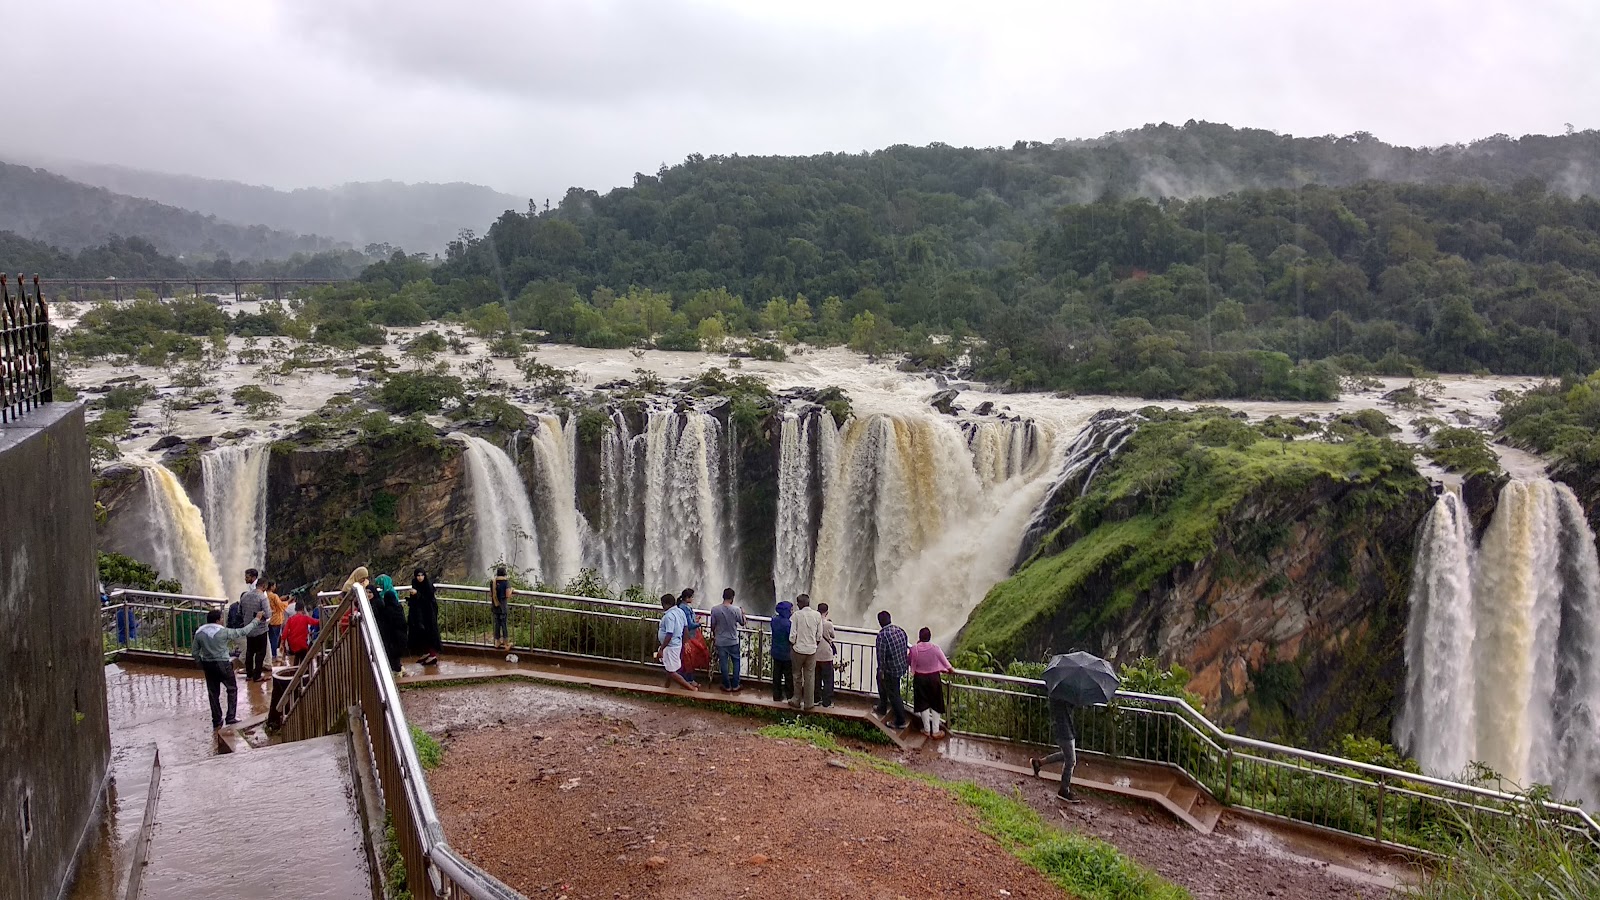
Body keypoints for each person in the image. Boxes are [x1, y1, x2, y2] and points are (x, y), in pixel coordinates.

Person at [191, 606, 267, 729]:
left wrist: (201, 664)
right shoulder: (223, 632)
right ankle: (230, 717)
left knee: (213, 693)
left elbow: (195, 652)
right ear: (217, 620)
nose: (223, 620)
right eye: (221, 618)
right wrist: (256, 620)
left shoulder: (199, 633)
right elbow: (243, 631)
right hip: (223, 664)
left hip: (208, 664)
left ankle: (217, 720)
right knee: (232, 689)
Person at [1030, 696, 1081, 802]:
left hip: (1065, 729)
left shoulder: (1060, 695)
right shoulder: (1062, 696)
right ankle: (1064, 790)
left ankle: (1038, 763)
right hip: (1064, 730)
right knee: (1071, 761)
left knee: (1066, 755)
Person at [908, 627, 954, 737]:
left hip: (920, 679)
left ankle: (927, 730)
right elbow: (948, 665)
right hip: (934, 678)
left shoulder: (914, 649)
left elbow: (909, 661)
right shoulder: (935, 648)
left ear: (919, 637)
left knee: (923, 704)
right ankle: (936, 731)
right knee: (935, 703)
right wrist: (949, 670)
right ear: (930, 637)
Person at [654, 593, 699, 691]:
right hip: (677, 644)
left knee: (671, 671)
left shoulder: (669, 616)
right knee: (669, 667)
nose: (662, 607)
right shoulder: (680, 612)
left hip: (670, 646)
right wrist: (684, 643)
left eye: (662, 604)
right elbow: (685, 629)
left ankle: (691, 689)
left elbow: (669, 634)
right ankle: (666, 686)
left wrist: (661, 649)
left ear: (666, 604)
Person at [873, 610, 909, 729]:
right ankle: (882, 707)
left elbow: (881, 656)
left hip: (890, 669)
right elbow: (904, 648)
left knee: (894, 694)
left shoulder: (882, 636)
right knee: (892, 689)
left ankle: (900, 721)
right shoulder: (900, 630)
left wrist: (881, 671)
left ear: (879, 622)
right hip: (901, 666)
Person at [788, 594, 823, 712]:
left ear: (800, 604)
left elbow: (792, 635)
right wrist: (814, 644)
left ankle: (796, 700)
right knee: (810, 677)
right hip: (812, 651)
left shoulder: (796, 615)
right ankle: (809, 703)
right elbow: (819, 635)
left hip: (798, 650)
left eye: (798, 603)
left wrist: (793, 644)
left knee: (797, 675)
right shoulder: (817, 615)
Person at [709, 587, 747, 692]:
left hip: (720, 641)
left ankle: (726, 685)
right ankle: (735, 685)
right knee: (736, 662)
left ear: (723, 596)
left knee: (723, 663)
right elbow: (743, 623)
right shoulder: (736, 610)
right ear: (732, 598)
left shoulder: (715, 609)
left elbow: (712, 625)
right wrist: (743, 613)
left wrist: (714, 635)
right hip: (733, 640)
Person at [237, 569, 272, 682]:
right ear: (264, 586)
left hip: (249, 628)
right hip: (260, 629)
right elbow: (268, 614)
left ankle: (249, 674)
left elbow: (239, 612)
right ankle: (257, 675)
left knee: (249, 651)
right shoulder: (262, 597)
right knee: (260, 653)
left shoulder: (245, 596)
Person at [372, 575, 409, 677]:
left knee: (392, 653)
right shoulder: (398, 608)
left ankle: (397, 670)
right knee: (395, 654)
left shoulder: (387, 610)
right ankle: (399, 668)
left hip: (392, 636)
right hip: (400, 635)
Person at [408, 567, 443, 666]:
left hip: (429, 613)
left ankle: (432, 654)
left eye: (421, 575)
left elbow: (428, 598)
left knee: (430, 633)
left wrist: (417, 594)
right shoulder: (415, 583)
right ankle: (426, 652)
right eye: (418, 575)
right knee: (422, 633)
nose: (420, 577)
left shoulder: (427, 585)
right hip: (419, 614)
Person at [769, 600, 794, 702]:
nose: (792, 612)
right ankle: (790, 696)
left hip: (776, 651)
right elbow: (791, 637)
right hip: (786, 653)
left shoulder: (774, 620)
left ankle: (776, 695)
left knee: (777, 674)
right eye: (791, 610)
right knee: (788, 676)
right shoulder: (788, 624)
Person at [813, 602, 837, 707]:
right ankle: (827, 702)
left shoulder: (813, 622)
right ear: (827, 612)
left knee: (816, 678)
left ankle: (816, 699)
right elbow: (833, 635)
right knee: (828, 680)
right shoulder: (828, 624)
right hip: (826, 654)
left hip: (815, 653)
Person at [266, 580, 288, 665]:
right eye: (274, 585)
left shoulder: (265, 595)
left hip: (269, 620)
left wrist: (281, 599)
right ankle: (274, 656)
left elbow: (274, 603)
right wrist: (288, 601)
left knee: (269, 639)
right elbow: (280, 606)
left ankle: (269, 656)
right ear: (271, 586)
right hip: (276, 620)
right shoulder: (274, 596)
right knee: (274, 639)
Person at [490, 566, 511, 650]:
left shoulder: (493, 582)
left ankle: (497, 642)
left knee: (497, 624)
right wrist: (512, 590)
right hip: (503, 607)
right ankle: (506, 643)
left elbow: (491, 594)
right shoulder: (506, 582)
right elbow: (508, 595)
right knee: (504, 624)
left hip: (495, 606)